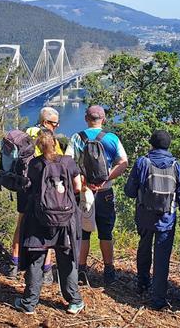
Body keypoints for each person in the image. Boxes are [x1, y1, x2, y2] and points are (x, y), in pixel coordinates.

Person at [13, 129, 85, 315]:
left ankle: (29, 303)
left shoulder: (35, 164)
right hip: (66, 220)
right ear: (55, 143)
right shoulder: (68, 162)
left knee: (35, 261)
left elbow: (29, 188)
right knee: (66, 259)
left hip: (39, 219)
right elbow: (77, 187)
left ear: (38, 146)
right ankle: (74, 301)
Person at [123, 129, 180, 310]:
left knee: (144, 248)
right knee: (162, 257)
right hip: (166, 218)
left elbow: (129, 191)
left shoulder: (142, 162)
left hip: (144, 215)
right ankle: (159, 298)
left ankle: (142, 284)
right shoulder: (176, 166)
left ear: (151, 144)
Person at [66, 105, 128, 286]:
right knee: (106, 233)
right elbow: (123, 163)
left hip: (84, 192)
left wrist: (82, 181)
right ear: (104, 119)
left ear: (86, 118)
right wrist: (106, 178)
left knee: (83, 233)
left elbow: (68, 163)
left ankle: (81, 270)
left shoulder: (77, 137)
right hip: (105, 191)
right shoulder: (111, 138)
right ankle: (108, 271)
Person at [9, 107, 60, 281]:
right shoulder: (48, 138)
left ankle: (14, 264)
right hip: (42, 189)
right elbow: (56, 162)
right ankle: (46, 270)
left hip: (24, 187)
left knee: (21, 223)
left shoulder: (25, 134)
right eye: (54, 124)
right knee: (47, 227)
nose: (56, 127)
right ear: (45, 122)